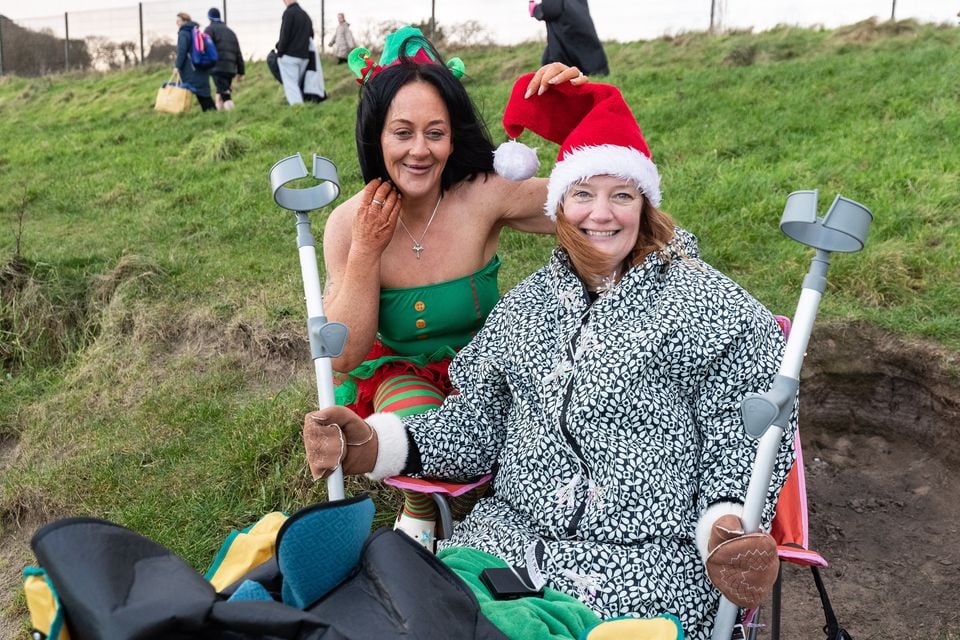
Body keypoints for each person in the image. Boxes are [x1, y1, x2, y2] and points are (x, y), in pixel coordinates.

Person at [303, 74, 796, 639]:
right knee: (394, 615)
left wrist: (723, 526)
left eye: (622, 195)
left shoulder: (707, 304)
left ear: (646, 203)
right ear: (556, 208)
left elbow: (748, 426)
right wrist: (373, 444)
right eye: (582, 195)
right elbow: (477, 423)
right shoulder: (525, 309)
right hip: (504, 548)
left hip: (644, 568)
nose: (601, 214)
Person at [323, 26, 586, 550]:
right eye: (402, 132)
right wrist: (365, 252)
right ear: (377, 135)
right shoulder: (349, 222)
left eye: (435, 132)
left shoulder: (484, 195)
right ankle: (423, 508)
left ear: (452, 136)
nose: (419, 151)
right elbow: (345, 355)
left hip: (492, 368)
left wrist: (576, 116)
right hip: (404, 372)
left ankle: (523, 512)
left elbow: (597, 206)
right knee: (417, 419)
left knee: (554, 423)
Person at [528, 0, 609, 76]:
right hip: (580, 23)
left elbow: (550, 10)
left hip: (566, 29)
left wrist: (535, 9)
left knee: (558, 63)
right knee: (587, 55)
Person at [204, 8, 244, 111]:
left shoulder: (209, 30)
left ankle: (234, 116)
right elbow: (238, 53)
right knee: (220, 91)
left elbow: (205, 48)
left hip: (217, 67)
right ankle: (220, 116)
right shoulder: (230, 32)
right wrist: (241, 71)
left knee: (225, 95)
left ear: (209, 17)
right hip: (230, 68)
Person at [275, 0, 315, 105]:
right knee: (296, 84)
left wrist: (279, 52)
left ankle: (297, 109)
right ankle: (302, 105)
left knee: (291, 85)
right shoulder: (306, 15)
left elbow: (284, 35)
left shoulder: (288, 13)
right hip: (304, 56)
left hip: (289, 56)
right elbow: (311, 35)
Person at [174, 12, 215, 111]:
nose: (177, 23)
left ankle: (212, 113)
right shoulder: (196, 31)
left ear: (184, 21)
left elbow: (182, 51)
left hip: (191, 69)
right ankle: (212, 114)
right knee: (203, 94)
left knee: (199, 94)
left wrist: (177, 66)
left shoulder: (183, 33)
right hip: (201, 66)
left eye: (178, 21)